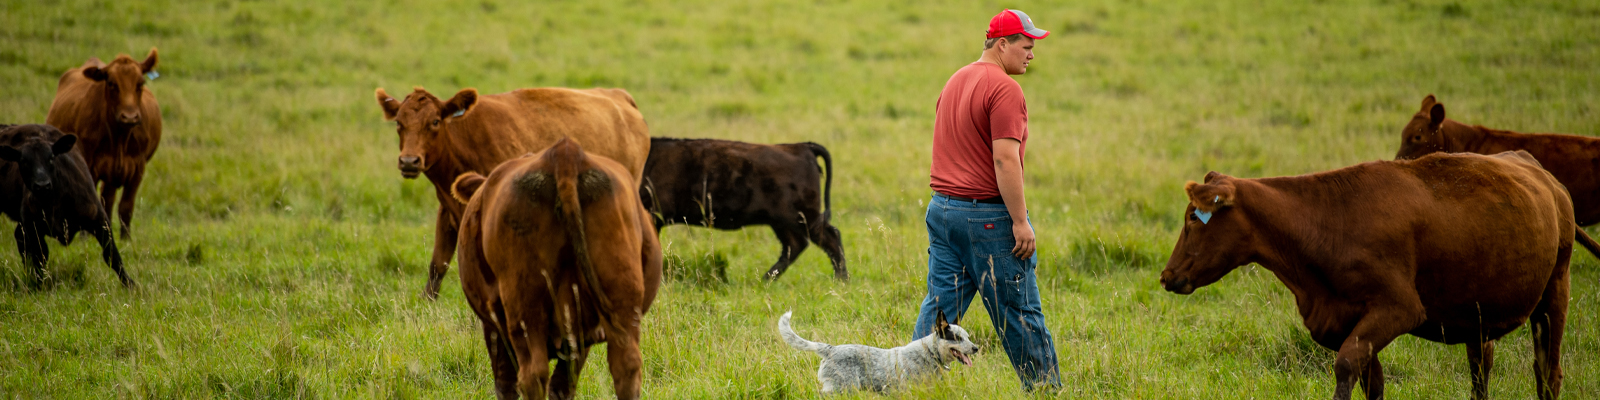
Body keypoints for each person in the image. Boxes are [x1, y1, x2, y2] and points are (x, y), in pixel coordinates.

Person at [912, 8, 1060, 391]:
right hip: (987, 218)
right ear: (1002, 44)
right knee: (1019, 311)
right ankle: (1046, 391)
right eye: (1026, 46)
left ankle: (908, 384)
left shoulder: (956, 78)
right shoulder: (1006, 89)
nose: (1031, 54)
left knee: (939, 309)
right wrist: (1020, 220)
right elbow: (1004, 158)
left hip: (942, 210)